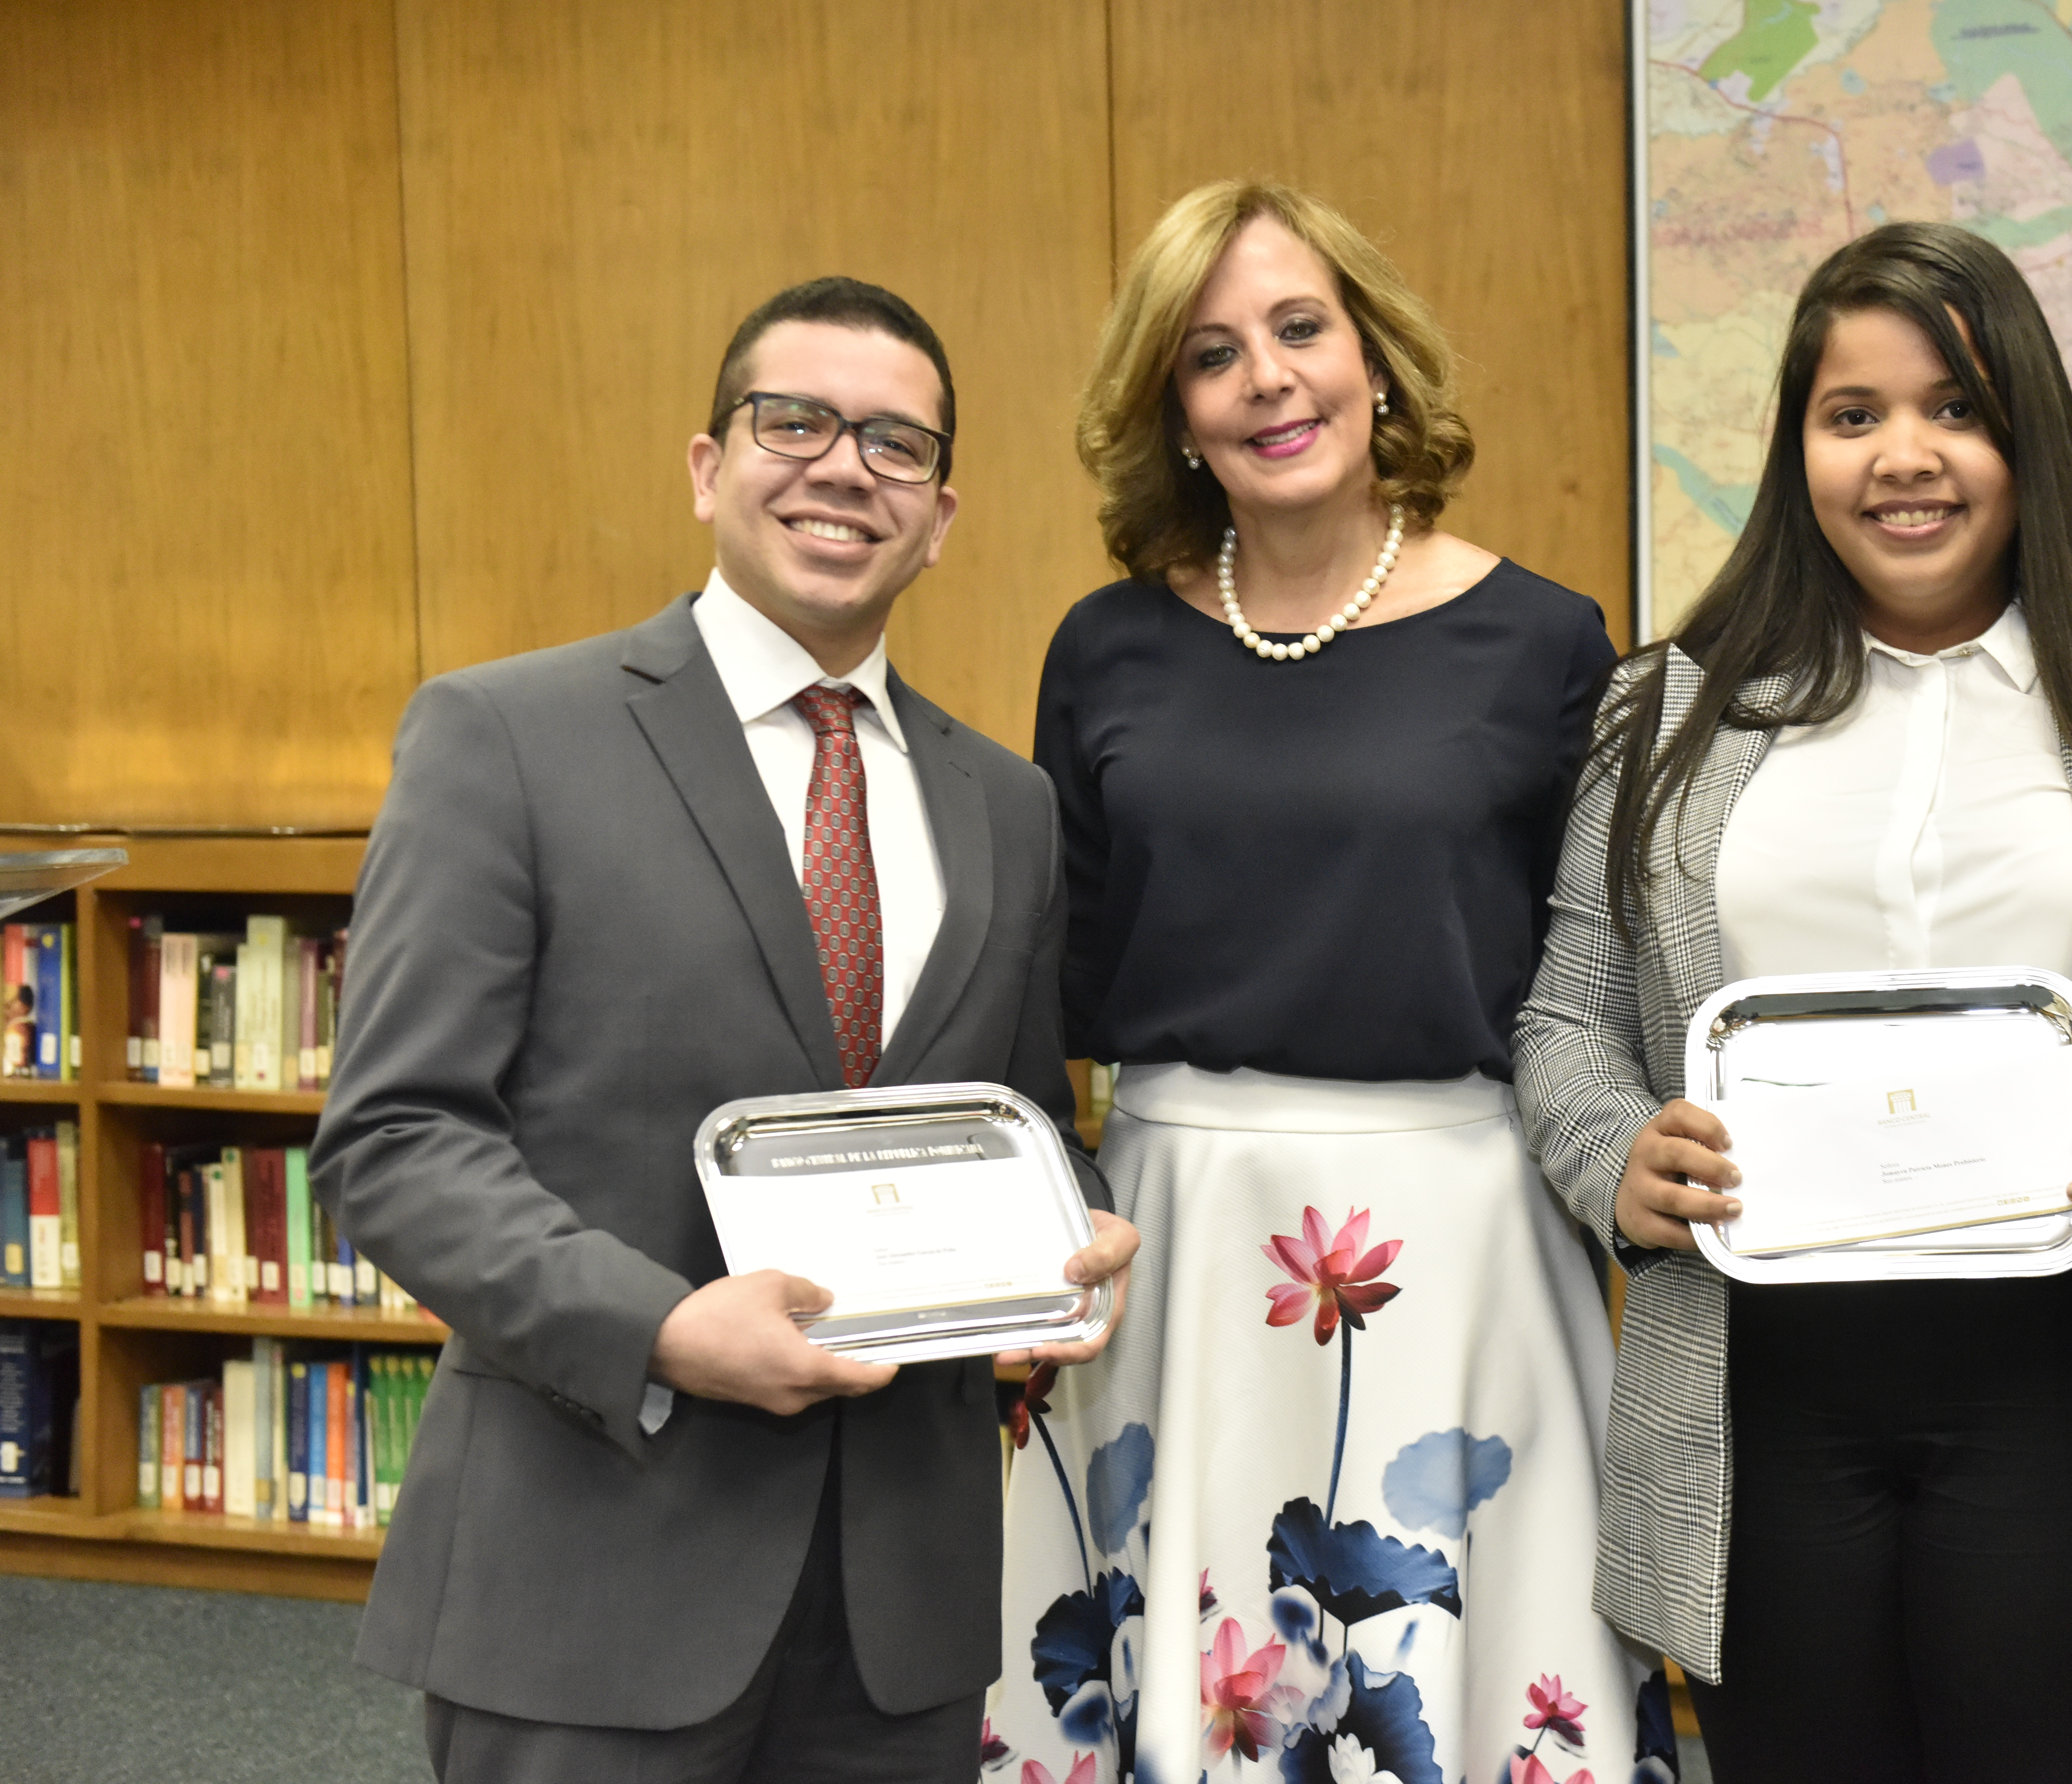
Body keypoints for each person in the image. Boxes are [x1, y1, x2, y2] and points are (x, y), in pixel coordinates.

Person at [1512, 222, 2072, 1783]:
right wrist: (1616, 1156)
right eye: (1855, 415)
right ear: (1801, 451)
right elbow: (1567, 1023)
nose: (1905, 456)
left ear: (2031, 436)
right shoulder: (1661, 717)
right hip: (1757, 1412)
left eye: (1956, 408)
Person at [313, 276, 1140, 1784]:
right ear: (709, 468)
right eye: (795, 422)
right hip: (593, 1575)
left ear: (941, 517)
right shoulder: (506, 738)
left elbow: (1016, 1115)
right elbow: (397, 1138)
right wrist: (662, 1330)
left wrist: (1070, 1232)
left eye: (895, 444)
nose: (845, 468)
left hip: (900, 1603)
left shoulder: (1009, 805)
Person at [990, 182, 1670, 1784]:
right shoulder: (1103, 648)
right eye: (1212, 354)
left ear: (1376, 358)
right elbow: (1048, 985)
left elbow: (1597, 984)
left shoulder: (1547, 642)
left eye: (1300, 328)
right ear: (1174, 410)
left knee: (1453, 1679)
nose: (1268, 379)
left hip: (1464, 1239)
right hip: (1177, 1239)